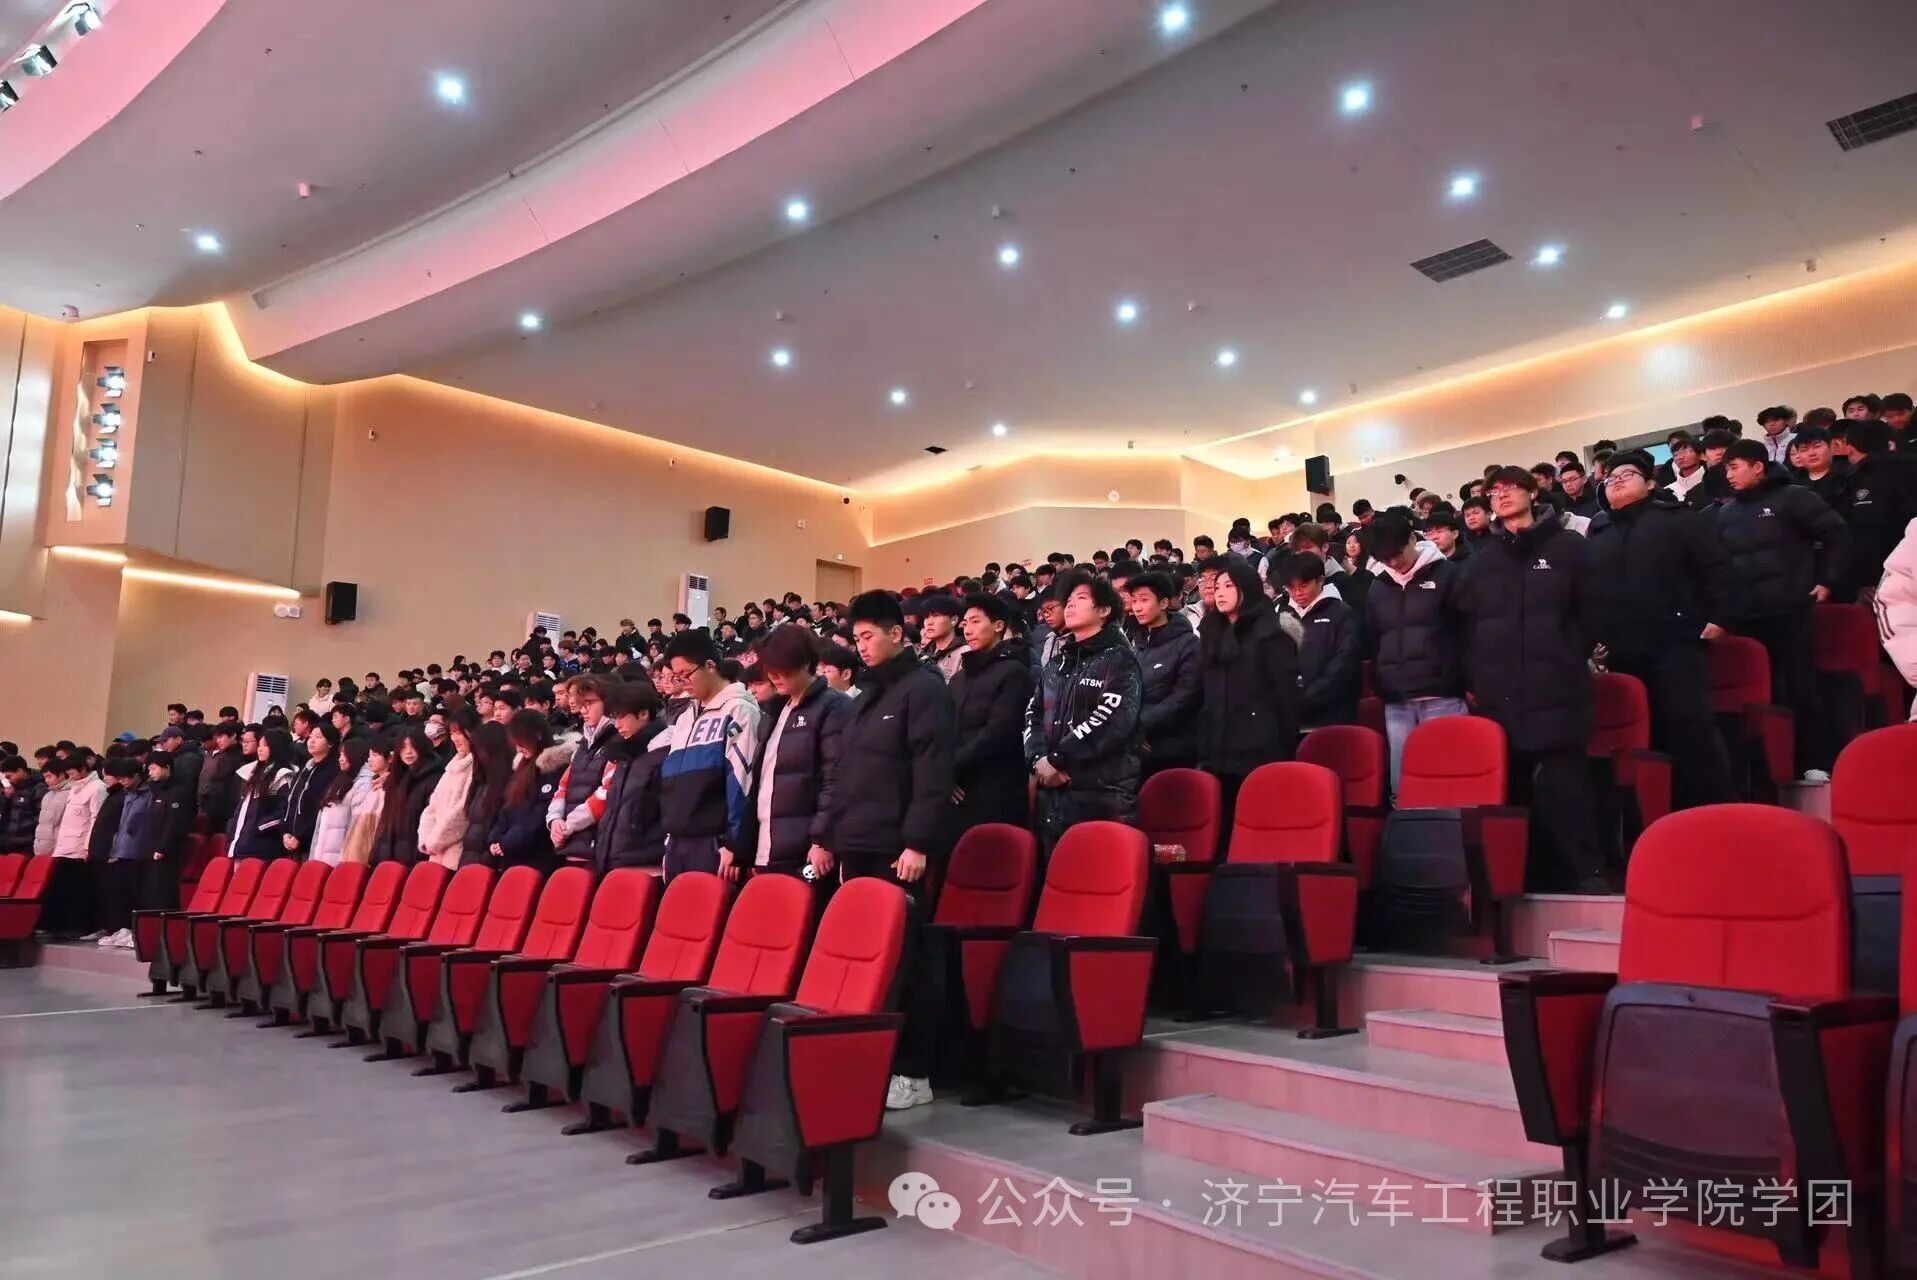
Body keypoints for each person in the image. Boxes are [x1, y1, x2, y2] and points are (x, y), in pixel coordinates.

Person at [819, 590, 956, 1113]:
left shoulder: (925, 689)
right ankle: (871, 1060)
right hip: (859, 846)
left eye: (869, 636)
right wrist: (834, 839)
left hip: (899, 850)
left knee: (906, 960)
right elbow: (845, 775)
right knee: (866, 960)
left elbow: (932, 772)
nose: (861, 646)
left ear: (897, 633)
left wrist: (918, 842)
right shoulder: (866, 697)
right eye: (855, 638)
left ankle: (914, 1072)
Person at [1452, 466, 1607, 892]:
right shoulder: (1485, 560)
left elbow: (1592, 611)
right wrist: (1477, 674)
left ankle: (1588, 874)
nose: (1501, 496)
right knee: (1512, 793)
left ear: (1533, 493)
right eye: (1494, 492)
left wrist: (1566, 652)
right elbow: (1469, 625)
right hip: (1501, 693)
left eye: (1510, 488)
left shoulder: (1569, 547)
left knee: (1568, 787)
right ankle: (1520, 880)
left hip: (1557, 687)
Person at [1582, 450, 1738, 809]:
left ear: (1651, 484)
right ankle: (1663, 814)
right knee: (1644, 735)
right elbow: (1594, 591)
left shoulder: (1678, 519)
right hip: (1624, 648)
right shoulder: (1600, 531)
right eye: (1610, 479)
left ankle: (1716, 809)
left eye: (1627, 475)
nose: (1616, 481)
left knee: (1689, 727)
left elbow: (1716, 569)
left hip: (1676, 642)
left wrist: (1721, 617)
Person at [1714, 438, 1850, 780]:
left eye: (1734, 467)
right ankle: (1773, 770)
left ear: (1758, 466)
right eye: (1726, 469)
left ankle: (1817, 761)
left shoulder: (1794, 497)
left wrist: (1826, 580)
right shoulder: (1725, 513)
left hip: (1791, 608)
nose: (1728, 475)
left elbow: (1836, 536)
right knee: (1765, 696)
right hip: (1748, 616)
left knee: (1803, 688)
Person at [732, 624, 852, 881]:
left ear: (806, 663)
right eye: (770, 669)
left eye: (782, 669)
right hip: (769, 846)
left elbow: (836, 779)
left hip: (807, 851)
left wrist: (822, 840)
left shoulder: (834, 706)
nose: (775, 676)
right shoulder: (775, 710)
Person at [1195, 555, 1298, 823]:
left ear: (1247, 588)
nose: (1220, 593)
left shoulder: (1271, 633)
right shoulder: (1211, 630)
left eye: (1229, 586)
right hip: (1217, 745)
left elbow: (1286, 697)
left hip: (1259, 745)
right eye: (1217, 587)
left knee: (1259, 818)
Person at [656, 629, 761, 879]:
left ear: (710, 666)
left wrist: (734, 842)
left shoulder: (739, 710)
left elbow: (742, 780)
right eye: (677, 677)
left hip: (714, 844)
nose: (682, 683)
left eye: (686, 674)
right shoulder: (685, 718)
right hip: (678, 842)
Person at [948, 593, 1033, 832]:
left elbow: (998, 733)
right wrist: (944, 774)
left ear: (998, 626)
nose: (968, 630)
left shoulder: (1014, 672)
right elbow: (942, 727)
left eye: (976, 621)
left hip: (997, 789)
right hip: (957, 788)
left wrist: (952, 766)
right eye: (965, 623)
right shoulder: (958, 678)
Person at [579, 685, 669, 874]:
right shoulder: (624, 756)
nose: (617, 725)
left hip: (647, 864)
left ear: (643, 714)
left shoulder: (663, 754)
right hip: (614, 860)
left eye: (621, 717)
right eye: (614, 718)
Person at [1832, 417, 1917, 605]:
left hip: (1884, 576)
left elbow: (1869, 532)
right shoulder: (1910, 465)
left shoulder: (1865, 477)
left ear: (1850, 446)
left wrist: (1866, 580)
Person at [1127, 570, 1202, 776]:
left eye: (1144, 600)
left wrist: (1139, 724)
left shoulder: (1188, 644)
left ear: (1163, 603)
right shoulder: (1138, 644)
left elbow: (1184, 697)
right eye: (1134, 600)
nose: (1137, 607)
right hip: (1137, 743)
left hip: (1174, 746)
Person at [1280, 553, 1361, 731]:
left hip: (1333, 715)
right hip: (1291, 717)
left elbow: (1343, 664)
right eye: (1291, 588)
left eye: (1303, 586)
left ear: (1320, 580)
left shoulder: (1341, 613)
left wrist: (1306, 698)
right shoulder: (1284, 615)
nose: (1297, 593)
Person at [544, 676, 619, 865]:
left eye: (590, 703)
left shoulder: (617, 743)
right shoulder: (582, 746)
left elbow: (606, 792)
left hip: (598, 845)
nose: (584, 710)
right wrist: (554, 820)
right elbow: (563, 787)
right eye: (581, 705)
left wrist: (569, 825)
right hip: (571, 844)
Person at [417, 709, 479, 867]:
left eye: (459, 733)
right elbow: (432, 806)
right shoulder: (452, 766)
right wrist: (426, 838)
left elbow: (462, 811)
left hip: (456, 850)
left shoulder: (476, 766)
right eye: (452, 733)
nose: (455, 738)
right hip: (435, 851)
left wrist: (435, 840)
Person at [372, 727, 441, 866]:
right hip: (390, 854)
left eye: (413, 746)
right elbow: (385, 822)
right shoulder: (395, 779)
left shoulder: (433, 779)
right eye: (403, 747)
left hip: (416, 857)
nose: (408, 752)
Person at [231, 728, 297, 859]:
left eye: (265, 745)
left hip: (263, 844)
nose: (260, 749)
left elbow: (283, 810)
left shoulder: (282, 776)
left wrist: (260, 827)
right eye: (259, 745)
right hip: (243, 840)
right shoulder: (253, 772)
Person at [280, 722, 342, 859]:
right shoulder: (306, 768)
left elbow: (318, 807)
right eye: (311, 737)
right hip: (290, 839)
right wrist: (285, 831)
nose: (312, 741)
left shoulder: (333, 771)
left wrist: (301, 835)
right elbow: (290, 800)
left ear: (330, 743)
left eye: (318, 737)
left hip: (312, 842)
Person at [309, 738, 374, 866]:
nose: (341, 759)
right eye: (340, 755)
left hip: (341, 861)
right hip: (321, 858)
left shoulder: (364, 783)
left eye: (345, 755)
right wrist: (313, 859)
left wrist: (346, 860)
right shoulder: (338, 781)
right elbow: (320, 826)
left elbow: (356, 827)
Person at [916, 595, 968, 684]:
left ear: (954, 620)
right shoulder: (925, 654)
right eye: (926, 617)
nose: (929, 622)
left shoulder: (965, 653)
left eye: (936, 616)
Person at [0, 755, 45, 854]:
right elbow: (3, 814)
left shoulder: (38, 788)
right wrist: (6, 798)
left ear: (20, 771)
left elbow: (40, 818)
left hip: (27, 844)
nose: (9, 780)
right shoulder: (9, 790)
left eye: (9, 776)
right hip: (7, 842)